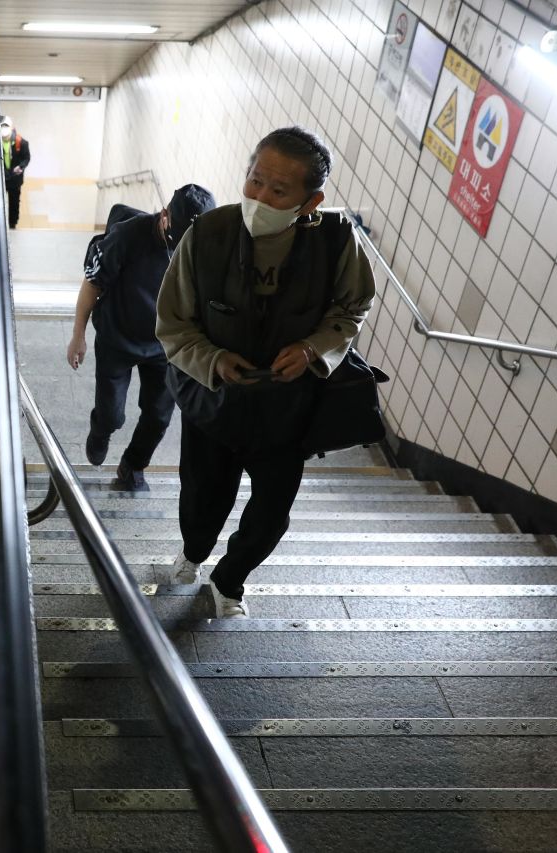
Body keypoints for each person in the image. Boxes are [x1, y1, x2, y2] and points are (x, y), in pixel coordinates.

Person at [154, 126, 375, 618]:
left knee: (272, 512)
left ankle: (229, 581)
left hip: (287, 408)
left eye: (279, 190)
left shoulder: (337, 241)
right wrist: (211, 360)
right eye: (255, 181)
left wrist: (314, 348)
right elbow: (172, 323)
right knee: (200, 499)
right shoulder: (206, 235)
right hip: (214, 402)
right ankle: (193, 553)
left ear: (311, 200)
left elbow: (352, 306)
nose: (260, 196)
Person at [68, 186, 218, 491]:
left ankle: (132, 466)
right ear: (165, 216)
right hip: (117, 340)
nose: (180, 250)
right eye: (176, 241)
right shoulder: (126, 237)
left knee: (159, 416)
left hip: (165, 346)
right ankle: (101, 430)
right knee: (112, 415)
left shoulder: (203, 245)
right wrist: (78, 335)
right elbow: (92, 284)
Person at [0, 116, 30, 228]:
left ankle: (13, 223)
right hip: (0, 179)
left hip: (15, 179)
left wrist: (20, 167)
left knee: (14, 202)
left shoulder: (21, 143)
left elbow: (26, 158)